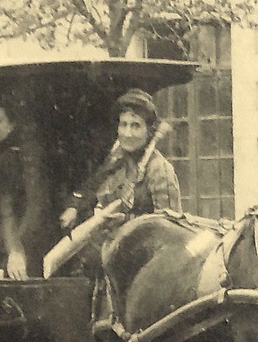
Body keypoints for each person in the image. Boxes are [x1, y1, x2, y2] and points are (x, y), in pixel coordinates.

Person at [58, 88, 181, 235]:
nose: (127, 134)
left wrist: (126, 220)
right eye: (124, 124)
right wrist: (74, 206)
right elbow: (92, 186)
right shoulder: (116, 160)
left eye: (136, 126)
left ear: (149, 131)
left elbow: (169, 228)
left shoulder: (159, 169)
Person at [0, 96, 52, 280]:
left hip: (22, 241)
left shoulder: (23, 157)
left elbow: (34, 206)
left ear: (11, 125)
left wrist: (17, 250)